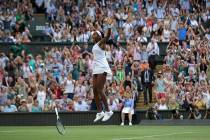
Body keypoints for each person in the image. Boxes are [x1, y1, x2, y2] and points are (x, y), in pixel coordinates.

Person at [92, 17, 114, 122]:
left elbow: (108, 35)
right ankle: (100, 112)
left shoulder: (101, 43)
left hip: (103, 68)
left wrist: (109, 26)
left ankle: (108, 111)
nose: (93, 35)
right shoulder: (96, 44)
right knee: (94, 90)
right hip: (96, 68)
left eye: (94, 34)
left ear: (99, 36)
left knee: (100, 89)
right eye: (93, 34)